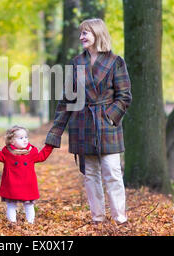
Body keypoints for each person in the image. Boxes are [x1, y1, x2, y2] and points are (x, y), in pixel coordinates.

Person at [45, 18, 132, 225]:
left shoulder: (115, 62)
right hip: (83, 124)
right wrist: (55, 132)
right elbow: (67, 99)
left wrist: (109, 117)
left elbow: (124, 96)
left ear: (98, 34)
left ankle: (120, 219)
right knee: (90, 174)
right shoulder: (76, 63)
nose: (81, 37)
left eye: (86, 33)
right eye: (81, 33)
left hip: (106, 124)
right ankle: (98, 218)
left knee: (112, 172)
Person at [0, 126, 54, 224]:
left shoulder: (31, 151)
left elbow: (42, 156)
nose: (25, 140)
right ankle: (12, 223)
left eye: (26, 137)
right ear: (12, 141)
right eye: (21, 138)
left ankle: (30, 223)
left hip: (28, 184)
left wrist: (49, 146)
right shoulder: (7, 152)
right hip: (12, 184)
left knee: (29, 205)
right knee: (11, 205)